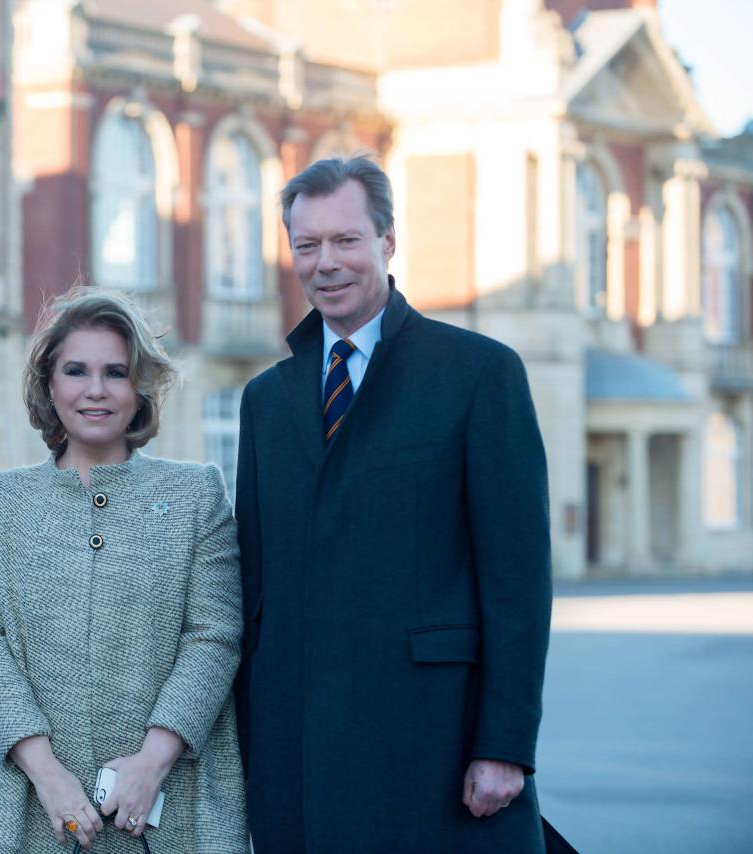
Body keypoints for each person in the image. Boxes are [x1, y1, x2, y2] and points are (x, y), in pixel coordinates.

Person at [234, 154, 553, 852]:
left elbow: (518, 580)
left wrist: (505, 744)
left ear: (387, 241)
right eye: (306, 245)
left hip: (431, 740)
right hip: (299, 749)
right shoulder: (266, 400)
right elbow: (255, 590)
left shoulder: (478, 374)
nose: (325, 263)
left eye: (346, 240)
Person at [0, 288, 248, 853]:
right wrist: (48, 775)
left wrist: (152, 762)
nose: (95, 390)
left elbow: (214, 636)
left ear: (140, 389)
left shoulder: (195, 495)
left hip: (172, 806)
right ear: (49, 385)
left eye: (116, 372)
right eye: (76, 371)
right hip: (31, 807)